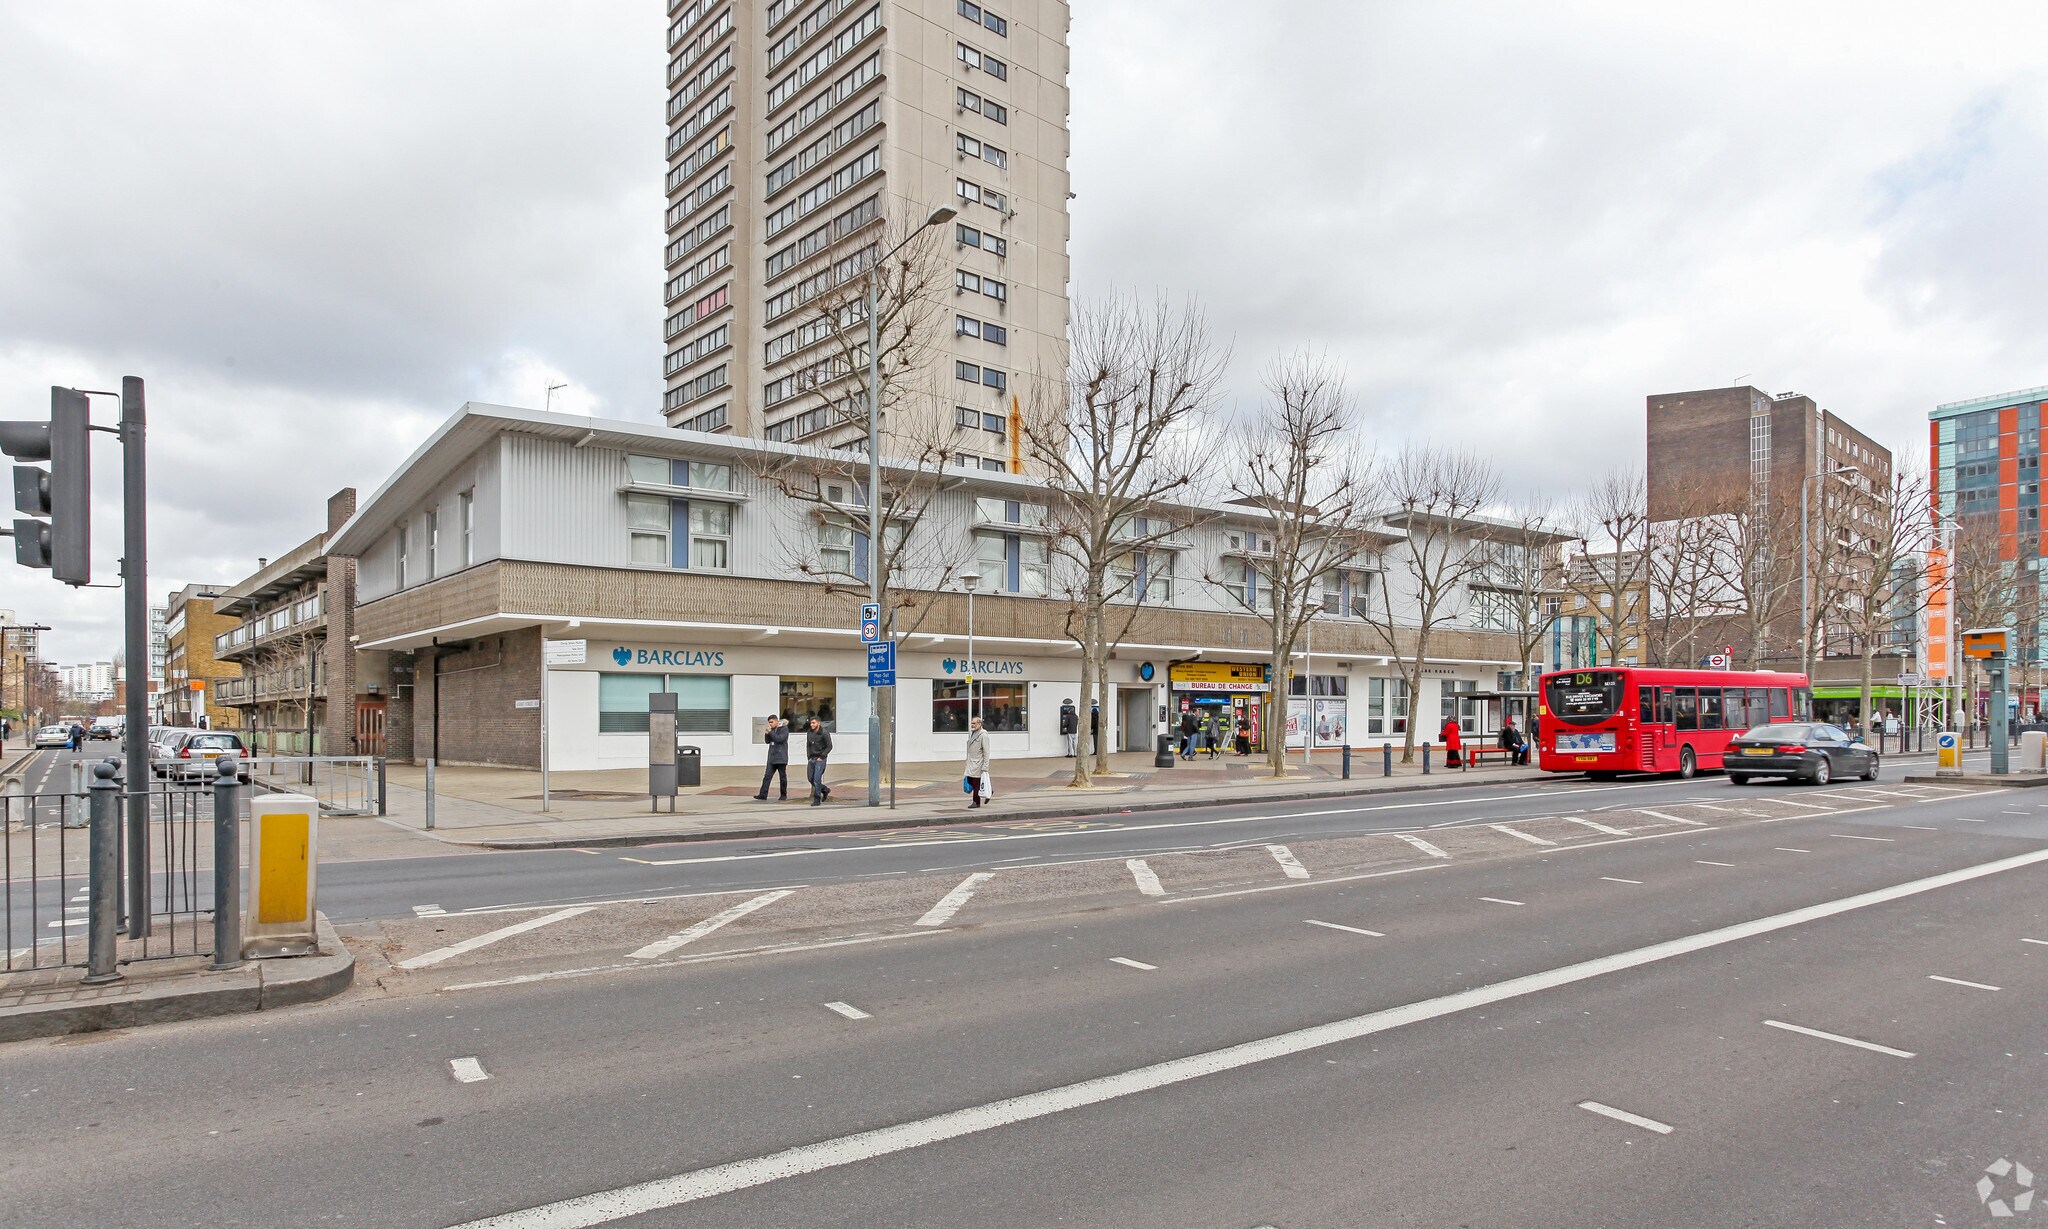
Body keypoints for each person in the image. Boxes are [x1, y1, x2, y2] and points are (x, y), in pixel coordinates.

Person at [753, 715, 789, 801]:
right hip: (772, 757)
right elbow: (767, 741)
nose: (770, 724)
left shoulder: (784, 729)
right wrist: (766, 734)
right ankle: (763, 794)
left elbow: (779, 739)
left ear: (777, 721)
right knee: (767, 776)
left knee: (782, 777)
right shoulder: (772, 730)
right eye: (769, 722)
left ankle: (783, 794)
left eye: (772, 722)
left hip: (781, 757)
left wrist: (771, 733)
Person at [804, 716, 833, 806]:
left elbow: (829, 746)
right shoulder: (809, 732)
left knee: (817, 779)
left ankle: (817, 799)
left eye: (813, 723)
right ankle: (825, 789)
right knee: (810, 778)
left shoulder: (824, 732)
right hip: (812, 758)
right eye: (811, 723)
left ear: (818, 723)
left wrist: (822, 756)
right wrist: (808, 756)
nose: (812, 725)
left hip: (820, 758)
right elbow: (808, 745)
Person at [964, 714, 991, 809]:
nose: (972, 725)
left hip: (978, 763)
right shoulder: (974, 733)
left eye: (974, 723)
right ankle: (990, 791)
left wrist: (985, 766)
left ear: (979, 723)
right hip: (972, 762)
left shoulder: (983, 735)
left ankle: (976, 801)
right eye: (971, 723)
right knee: (971, 780)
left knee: (976, 783)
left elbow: (986, 752)